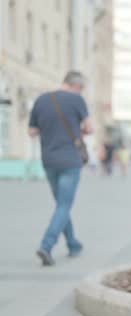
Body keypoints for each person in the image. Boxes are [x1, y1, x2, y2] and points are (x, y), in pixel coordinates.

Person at [28, 70, 93, 266]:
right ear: (77, 86)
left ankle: (73, 244)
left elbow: (32, 131)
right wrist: (78, 130)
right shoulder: (77, 100)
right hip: (70, 161)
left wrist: (49, 129)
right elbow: (90, 128)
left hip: (48, 160)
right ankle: (46, 245)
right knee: (64, 205)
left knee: (61, 205)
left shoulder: (41, 100)